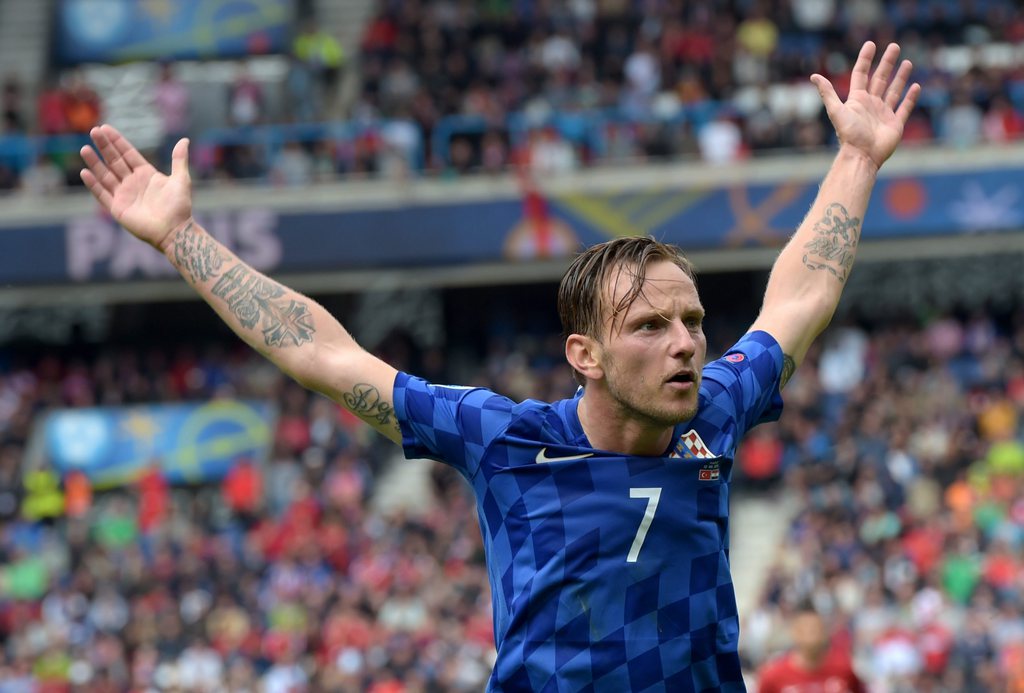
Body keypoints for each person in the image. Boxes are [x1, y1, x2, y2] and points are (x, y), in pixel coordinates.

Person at [79, 41, 919, 691]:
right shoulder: (506, 439)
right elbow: (323, 353)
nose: (686, 341)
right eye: (651, 324)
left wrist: (858, 159)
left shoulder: (715, 413)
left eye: (693, 320)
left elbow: (796, 303)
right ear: (583, 355)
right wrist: (181, 238)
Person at [755, 603, 865, 692]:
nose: (811, 634)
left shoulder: (844, 668)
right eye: (805, 629)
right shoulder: (773, 675)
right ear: (794, 632)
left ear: (825, 632)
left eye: (815, 629)